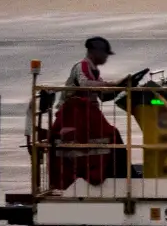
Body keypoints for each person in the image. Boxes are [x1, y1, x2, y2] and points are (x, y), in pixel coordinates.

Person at [51, 37, 138, 186]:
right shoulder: (82, 66)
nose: (105, 57)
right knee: (112, 135)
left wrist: (122, 87)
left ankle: (122, 173)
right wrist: (112, 84)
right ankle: (123, 175)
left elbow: (103, 96)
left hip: (85, 116)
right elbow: (86, 84)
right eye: (104, 53)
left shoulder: (94, 71)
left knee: (114, 135)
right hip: (74, 116)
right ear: (93, 52)